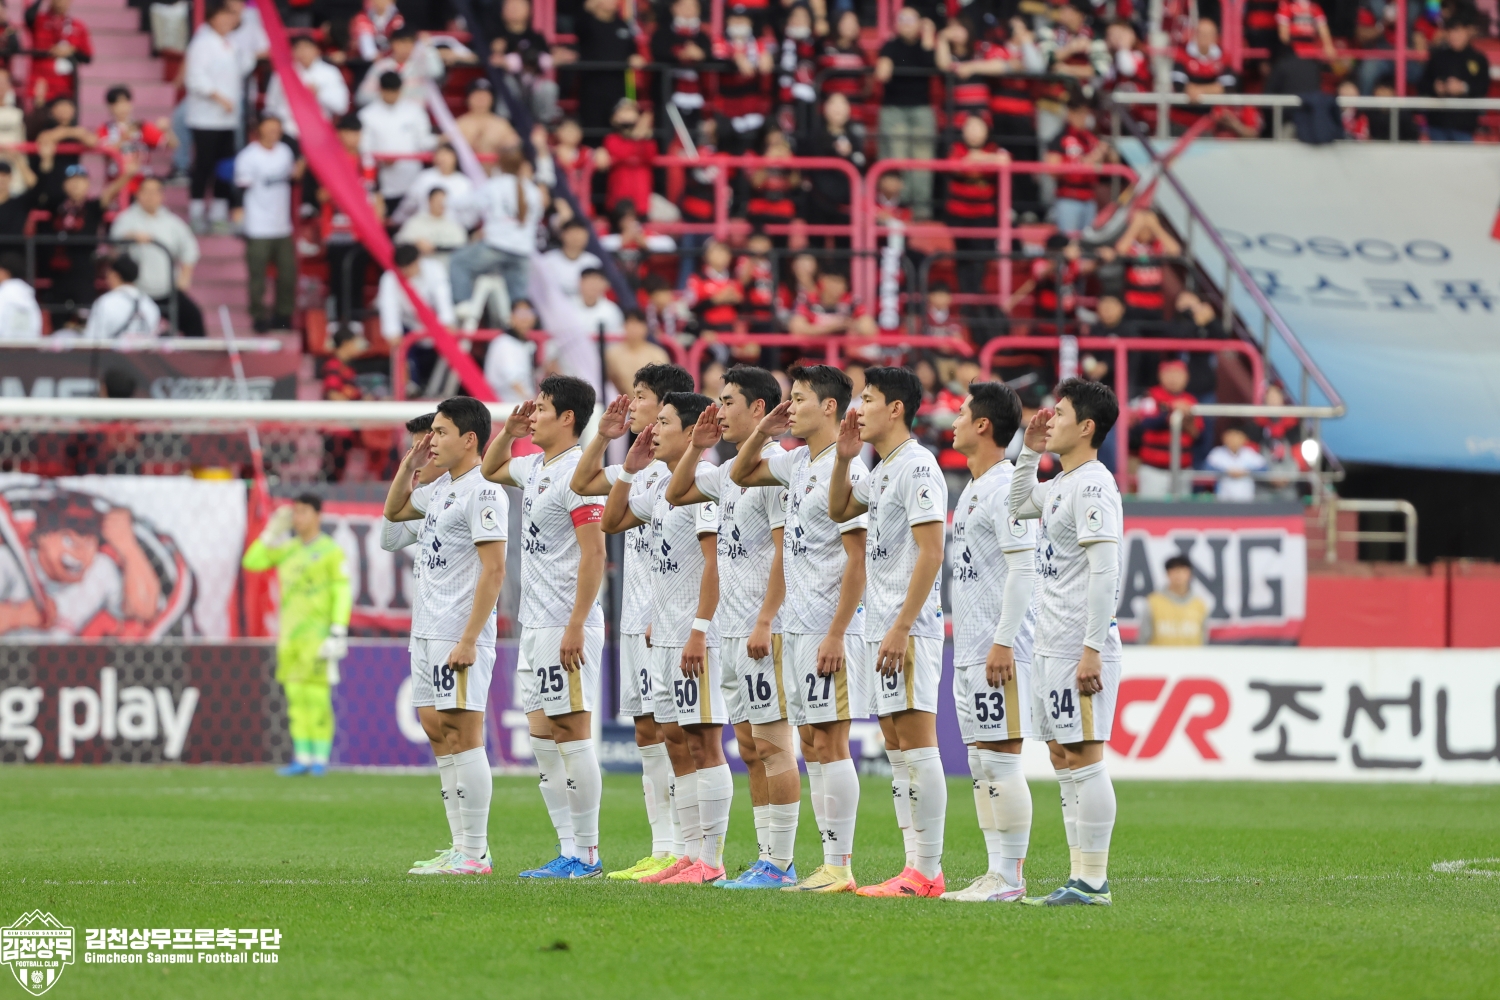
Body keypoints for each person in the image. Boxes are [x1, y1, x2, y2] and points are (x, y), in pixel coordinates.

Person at [730, 364, 868, 894]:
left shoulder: (846, 468)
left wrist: (837, 631)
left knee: (830, 742)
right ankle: (827, 864)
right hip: (799, 627)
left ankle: (839, 865)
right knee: (811, 742)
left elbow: (857, 560)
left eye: (801, 398)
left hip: (830, 629)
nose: (791, 408)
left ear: (829, 407)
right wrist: (764, 431)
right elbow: (741, 474)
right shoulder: (797, 463)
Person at [666, 367, 802, 889]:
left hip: (765, 628)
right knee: (748, 746)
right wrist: (696, 447)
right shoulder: (727, 472)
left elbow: (786, 553)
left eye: (728, 402)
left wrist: (766, 619)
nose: (719, 411)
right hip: (732, 630)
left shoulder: (774, 472)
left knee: (773, 744)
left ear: (759, 408)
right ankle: (767, 857)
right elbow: (676, 491)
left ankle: (781, 863)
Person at [569, 363, 696, 881]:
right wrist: (604, 438)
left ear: (666, 406)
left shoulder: (685, 469)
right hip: (636, 616)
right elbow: (582, 482)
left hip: (669, 619)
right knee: (647, 730)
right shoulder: (640, 468)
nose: (631, 403)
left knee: (677, 731)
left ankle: (687, 849)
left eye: (640, 396)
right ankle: (662, 846)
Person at [827, 367, 949, 898]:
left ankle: (928, 870)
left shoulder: (918, 465)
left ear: (896, 408)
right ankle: (913, 866)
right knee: (898, 747)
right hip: (883, 627)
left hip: (909, 628)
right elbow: (838, 509)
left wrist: (902, 626)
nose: (858, 409)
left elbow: (932, 551)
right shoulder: (881, 470)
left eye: (869, 399)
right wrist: (843, 458)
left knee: (917, 746)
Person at [482, 377, 609, 879]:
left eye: (541, 409)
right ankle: (567, 848)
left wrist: (576, 623)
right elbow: (491, 468)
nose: (532, 416)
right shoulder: (535, 466)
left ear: (568, 418)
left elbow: (595, 554)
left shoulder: (579, 474)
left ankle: (589, 854)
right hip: (534, 625)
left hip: (565, 624)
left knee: (571, 734)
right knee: (542, 738)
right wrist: (508, 432)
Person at [601, 389, 727, 885]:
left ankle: (711, 860)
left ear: (693, 431)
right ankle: (688, 854)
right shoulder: (662, 487)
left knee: (704, 743)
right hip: (665, 634)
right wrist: (628, 471)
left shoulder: (704, 485)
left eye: (666, 422)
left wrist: (698, 630)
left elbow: (715, 565)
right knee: (676, 739)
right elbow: (611, 521)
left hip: (696, 636)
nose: (655, 430)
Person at [1008, 378, 1123, 907]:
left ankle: (1093, 881)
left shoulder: (1094, 486)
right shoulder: (1060, 484)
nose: (1049, 420)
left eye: (1060, 414)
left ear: (1087, 427)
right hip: (1052, 643)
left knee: (1085, 754)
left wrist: (1092, 648)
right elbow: (1017, 503)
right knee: (1061, 754)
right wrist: (1028, 452)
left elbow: (1105, 570)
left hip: (1080, 645)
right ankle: (1079, 877)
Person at [383, 396, 508, 875]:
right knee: (437, 730)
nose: (431, 440)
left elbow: (494, 570)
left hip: (458, 630)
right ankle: (460, 846)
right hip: (426, 630)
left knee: (464, 733)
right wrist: (409, 466)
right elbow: (394, 512)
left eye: (440, 432)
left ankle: (475, 852)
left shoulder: (485, 492)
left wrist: (470, 638)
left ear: (469, 439)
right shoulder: (439, 489)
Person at [940, 381, 1037, 903]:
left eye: (961, 412)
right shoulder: (975, 487)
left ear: (982, 425)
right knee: (981, 763)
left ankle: (1011, 877)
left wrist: (1003, 642)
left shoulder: (1006, 488)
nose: (952, 421)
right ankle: (994, 870)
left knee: (1000, 760)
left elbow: (1024, 569)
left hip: (1000, 649)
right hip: (971, 648)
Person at [241, 494, 352, 777]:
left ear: (318, 516)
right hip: (289, 637)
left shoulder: (330, 552)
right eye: (295, 513)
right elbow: (251, 562)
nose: (297, 518)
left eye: (303, 512)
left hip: (318, 637)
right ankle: (302, 757)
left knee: (316, 698)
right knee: (295, 698)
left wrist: (338, 630)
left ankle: (320, 759)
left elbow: (342, 591)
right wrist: (270, 534)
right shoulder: (287, 549)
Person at [183, 2, 255, 233]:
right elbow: (195, 78)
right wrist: (218, 97)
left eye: (230, 18)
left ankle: (218, 212)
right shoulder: (202, 43)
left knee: (225, 166)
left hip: (228, 119)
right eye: (222, 17)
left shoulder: (232, 44)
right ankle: (196, 212)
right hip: (205, 118)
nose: (227, 22)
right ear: (212, 19)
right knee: (204, 165)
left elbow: (244, 67)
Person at [450, 148, 543, 310]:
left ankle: (463, 307)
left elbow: (468, 203)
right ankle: (520, 320)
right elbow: (537, 218)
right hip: (522, 252)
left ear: (500, 165)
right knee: (518, 298)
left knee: (458, 262)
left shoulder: (495, 185)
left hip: (495, 248)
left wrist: (446, 200)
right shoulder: (534, 191)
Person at [111, 176, 204, 336]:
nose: (150, 196)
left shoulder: (173, 222)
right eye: (146, 191)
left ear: (162, 195)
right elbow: (113, 246)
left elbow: (190, 250)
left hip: (167, 291)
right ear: (138, 194)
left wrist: (185, 277)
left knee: (193, 317)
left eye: (155, 192)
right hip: (137, 293)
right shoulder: (125, 220)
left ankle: (196, 353)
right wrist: (131, 237)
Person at [234, 117, 300, 333]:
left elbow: (294, 177)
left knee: (288, 275)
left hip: (282, 226)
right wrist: (239, 217)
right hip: (258, 226)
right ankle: (258, 316)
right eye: (269, 127)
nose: (274, 131)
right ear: (259, 129)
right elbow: (239, 189)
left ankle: (283, 316)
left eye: (277, 128)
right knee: (257, 277)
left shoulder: (285, 152)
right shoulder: (248, 156)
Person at [876, 7, 938, 220]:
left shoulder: (925, 44)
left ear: (920, 22)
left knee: (923, 162)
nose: (906, 23)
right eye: (902, 19)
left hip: (921, 108)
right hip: (894, 109)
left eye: (911, 19)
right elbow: (881, 74)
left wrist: (928, 36)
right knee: (897, 159)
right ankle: (898, 209)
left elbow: (931, 65)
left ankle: (921, 210)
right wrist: (884, 65)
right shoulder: (890, 46)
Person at [359, 70, 436, 210]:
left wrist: (440, 140)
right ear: (380, 90)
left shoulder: (415, 111)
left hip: (412, 178)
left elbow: (424, 142)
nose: (392, 96)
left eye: (395, 92)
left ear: (401, 90)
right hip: (382, 181)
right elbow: (364, 147)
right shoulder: (367, 115)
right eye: (388, 92)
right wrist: (381, 160)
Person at [264, 34, 351, 149]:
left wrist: (319, 94)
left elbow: (342, 107)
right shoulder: (282, 74)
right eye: (298, 48)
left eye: (307, 47)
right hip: (287, 132)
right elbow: (271, 106)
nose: (303, 52)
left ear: (317, 50)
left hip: (319, 133)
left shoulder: (330, 73)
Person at [569, 0, 643, 134]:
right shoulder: (586, 22)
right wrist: (587, 8)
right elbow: (577, 26)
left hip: (618, 85)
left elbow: (632, 51)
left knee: (618, 132)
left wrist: (635, 57)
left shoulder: (622, 25)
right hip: (592, 86)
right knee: (593, 129)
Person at [1132, 358, 1201, 498]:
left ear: (1186, 377)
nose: (1173, 378)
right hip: (1154, 469)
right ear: (1160, 375)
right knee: (1151, 509)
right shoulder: (1151, 395)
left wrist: (1185, 419)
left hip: (1183, 469)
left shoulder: (1190, 400)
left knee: (1183, 509)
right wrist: (1172, 410)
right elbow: (1146, 423)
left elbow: (1198, 434)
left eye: (1178, 374)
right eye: (1169, 373)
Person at [97, 86, 176, 203]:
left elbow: (172, 144)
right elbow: (106, 152)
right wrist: (124, 138)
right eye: (117, 103)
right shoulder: (105, 129)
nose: (122, 107)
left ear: (131, 104)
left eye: (125, 102)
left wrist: (167, 130)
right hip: (117, 184)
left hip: (142, 186)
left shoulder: (142, 126)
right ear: (110, 107)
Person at [1421, 9, 1489, 142]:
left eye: (1458, 31)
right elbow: (1423, 84)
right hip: (1437, 124)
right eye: (1450, 31)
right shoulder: (1437, 56)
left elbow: (1483, 87)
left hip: (1464, 126)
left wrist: (1463, 87)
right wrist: (1435, 87)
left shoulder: (1479, 59)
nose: (1453, 36)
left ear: (1468, 31)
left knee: (1463, 156)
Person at [25, 0, 92, 105]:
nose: (61, 2)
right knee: (39, 113)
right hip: (42, 85)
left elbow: (88, 57)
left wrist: (71, 50)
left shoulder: (78, 25)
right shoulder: (40, 20)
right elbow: (28, 17)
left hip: (65, 87)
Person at [82, 256, 159, 339]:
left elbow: (92, 340)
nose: (107, 279)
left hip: (110, 347)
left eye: (108, 274)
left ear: (115, 275)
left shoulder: (105, 302)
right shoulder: (150, 304)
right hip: (143, 347)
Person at [1139, 554, 1209, 645]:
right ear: (1167, 573)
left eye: (1183, 570)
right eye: (1174, 570)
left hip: (1191, 654)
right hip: (1160, 654)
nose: (1179, 574)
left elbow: (1203, 640)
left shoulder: (1199, 605)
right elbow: (1144, 638)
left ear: (1190, 574)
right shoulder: (1153, 603)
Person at [537, 217, 602, 305]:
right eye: (573, 233)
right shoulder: (547, 260)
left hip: (582, 310)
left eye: (580, 234)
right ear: (562, 235)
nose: (576, 238)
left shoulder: (593, 262)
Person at [604, 310, 668, 394]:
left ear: (645, 327)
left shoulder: (657, 354)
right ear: (624, 326)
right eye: (631, 324)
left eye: (638, 324)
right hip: (619, 399)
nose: (634, 329)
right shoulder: (612, 353)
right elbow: (608, 383)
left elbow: (663, 385)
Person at [483, 304, 537, 401]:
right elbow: (512, 379)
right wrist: (531, 401)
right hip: (506, 404)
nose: (525, 318)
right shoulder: (503, 343)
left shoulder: (526, 344)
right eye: (520, 314)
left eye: (529, 313)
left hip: (522, 403)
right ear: (511, 317)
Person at [455, 79, 517, 160]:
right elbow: (447, 148)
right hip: (465, 166)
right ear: (468, 98)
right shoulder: (459, 123)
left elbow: (514, 147)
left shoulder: (502, 123)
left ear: (492, 99)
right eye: (477, 95)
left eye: (485, 95)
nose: (481, 99)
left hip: (497, 166)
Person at [1206, 421, 1268, 502]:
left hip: (1246, 500)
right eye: (1230, 435)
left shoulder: (1250, 454)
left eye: (1236, 435)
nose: (1233, 439)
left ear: (1244, 438)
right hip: (1223, 500)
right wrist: (1226, 472)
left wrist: (1246, 472)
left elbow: (1264, 469)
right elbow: (1205, 469)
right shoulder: (1217, 453)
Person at [0, 252, 41, 340]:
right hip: (28, 344)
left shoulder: (4, 293)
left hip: (4, 344)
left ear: (6, 271)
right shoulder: (27, 293)